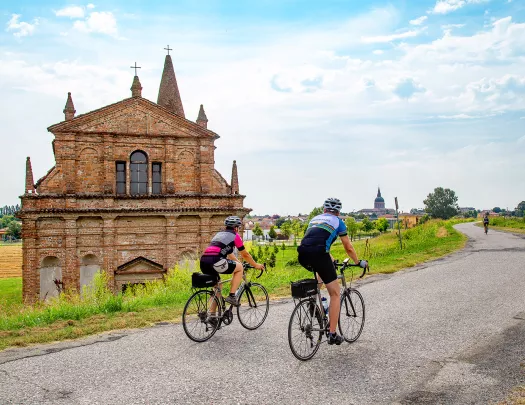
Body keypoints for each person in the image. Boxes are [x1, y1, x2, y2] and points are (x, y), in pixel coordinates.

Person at [297, 198, 368, 346]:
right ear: (338, 212)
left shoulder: (314, 219)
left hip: (303, 254)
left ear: (324, 210)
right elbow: (348, 247)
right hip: (319, 254)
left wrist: (331, 258)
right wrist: (357, 262)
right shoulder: (338, 222)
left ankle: (313, 301)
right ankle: (332, 334)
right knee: (335, 293)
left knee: (321, 273)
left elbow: (315, 241)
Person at [200, 216, 265, 307]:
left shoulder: (220, 234)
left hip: (203, 262)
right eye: (239, 227)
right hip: (216, 261)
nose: (239, 229)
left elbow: (230, 254)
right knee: (239, 269)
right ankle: (232, 296)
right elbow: (245, 254)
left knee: (217, 288)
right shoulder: (235, 236)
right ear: (236, 228)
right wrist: (255, 265)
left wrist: (239, 263)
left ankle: (211, 315)